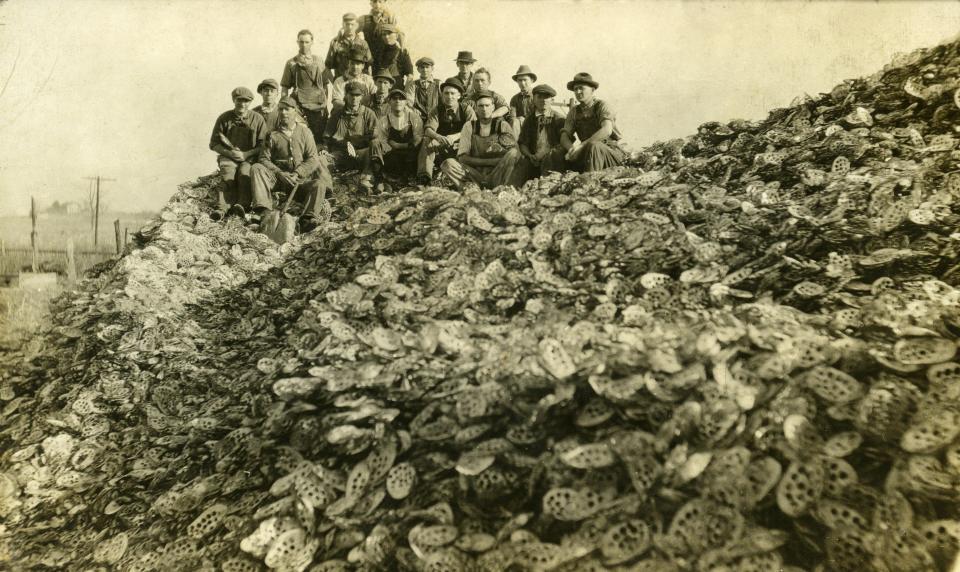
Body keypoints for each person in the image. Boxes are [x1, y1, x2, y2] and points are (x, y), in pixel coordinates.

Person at [251, 97, 332, 232]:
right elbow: (264, 159)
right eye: (281, 109)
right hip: (278, 181)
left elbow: (313, 158)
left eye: (287, 109)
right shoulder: (272, 135)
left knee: (319, 184)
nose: (283, 113)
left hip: (298, 182)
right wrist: (279, 173)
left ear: (295, 111)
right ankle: (263, 211)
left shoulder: (305, 132)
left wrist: (297, 173)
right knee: (256, 168)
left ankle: (307, 219)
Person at [440, 90, 521, 190]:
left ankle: (501, 187)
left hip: (498, 173)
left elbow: (515, 153)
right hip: (475, 174)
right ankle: (469, 188)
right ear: (476, 109)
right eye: (481, 106)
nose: (484, 109)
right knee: (447, 164)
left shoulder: (502, 126)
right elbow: (462, 158)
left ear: (493, 107)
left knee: (513, 153)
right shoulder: (469, 126)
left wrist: (498, 163)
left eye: (487, 105)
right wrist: (491, 162)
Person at [208, 87, 268, 221]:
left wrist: (246, 155)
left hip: (249, 158)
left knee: (244, 174)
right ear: (233, 100)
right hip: (228, 157)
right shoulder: (224, 118)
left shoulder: (257, 119)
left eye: (246, 101)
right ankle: (221, 208)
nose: (242, 104)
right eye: (239, 100)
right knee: (228, 176)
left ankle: (242, 205)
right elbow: (213, 144)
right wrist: (229, 153)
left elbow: (263, 145)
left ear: (250, 102)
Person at [561, 72, 626, 172]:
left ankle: (590, 185)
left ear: (592, 90)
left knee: (594, 146)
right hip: (588, 153)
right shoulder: (574, 111)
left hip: (609, 152)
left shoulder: (602, 105)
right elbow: (564, 135)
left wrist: (582, 146)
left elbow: (607, 130)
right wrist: (571, 150)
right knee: (557, 153)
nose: (578, 92)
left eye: (581, 88)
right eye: (575, 89)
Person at [416, 77, 476, 185]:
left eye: (453, 93)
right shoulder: (437, 110)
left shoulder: (466, 109)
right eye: (446, 93)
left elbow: (473, 128)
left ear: (459, 95)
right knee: (427, 140)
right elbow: (428, 129)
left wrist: (456, 136)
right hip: (443, 144)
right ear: (442, 95)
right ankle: (424, 177)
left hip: (462, 145)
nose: (449, 97)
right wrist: (438, 137)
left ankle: (468, 176)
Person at [324, 81, 379, 191]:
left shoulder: (368, 113)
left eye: (357, 95)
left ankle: (366, 177)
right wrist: (325, 149)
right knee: (322, 159)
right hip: (341, 153)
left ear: (362, 97)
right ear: (346, 96)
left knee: (372, 149)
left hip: (361, 153)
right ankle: (327, 182)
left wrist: (358, 142)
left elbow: (374, 136)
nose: (354, 98)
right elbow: (327, 136)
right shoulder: (337, 115)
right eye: (351, 95)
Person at [370, 89, 423, 191]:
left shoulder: (414, 117)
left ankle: (414, 178)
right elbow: (383, 141)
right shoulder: (384, 120)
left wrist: (399, 145)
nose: (397, 101)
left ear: (406, 102)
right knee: (374, 142)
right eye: (394, 98)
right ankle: (379, 179)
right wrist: (392, 147)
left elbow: (418, 138)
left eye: (401, 98)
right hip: (393, 155)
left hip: (410, 154)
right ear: (389, 102)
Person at [281, 29, 327, 144]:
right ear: (297, 42)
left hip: (317, 104)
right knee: (299, 133)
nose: (304, 45)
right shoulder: (291, 63)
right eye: (301, 42)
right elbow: (285, 87)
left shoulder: (319, 61)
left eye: (307, 42)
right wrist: (284, 104)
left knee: (319, 136)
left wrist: (324, 101)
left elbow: (325, 84)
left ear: (312, 42)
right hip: (299, 105)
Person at [517, 84, 567, 183]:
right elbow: (523, 143)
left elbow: (564, 144)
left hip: (553, 161)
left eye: (547, 97)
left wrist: (546, 153)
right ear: (534, 100)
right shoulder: (529, 120)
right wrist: (530, 155)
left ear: (552, 100)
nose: (543, 100)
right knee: (521, 165)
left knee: (552, 158)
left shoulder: (559, 119)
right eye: (539, 97)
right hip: (534, 160)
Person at [325, 13, 372, 80]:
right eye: (347, 24)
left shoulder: (363, 43)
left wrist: (369, 81)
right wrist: (334, 82)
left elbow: (368, 65)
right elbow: (328, 66)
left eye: (352, 24)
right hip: (342, 82)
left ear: (356, 26)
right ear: (343, 25)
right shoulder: (335, 42)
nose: (350, 27)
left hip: (358, 84)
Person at [331, 46, 376, 110]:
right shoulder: (340, 81)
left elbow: (375, 95)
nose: (355, 67)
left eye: (358, 64)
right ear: (348, 64)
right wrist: (353, 108)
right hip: (345, 113)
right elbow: (336, 102)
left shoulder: (368, 79)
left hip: (364, 114)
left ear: (363, 66)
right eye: (352, 63)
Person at [359, 0, 402, 65]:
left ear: (384, 3)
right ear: (370, 3)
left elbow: (400, 34)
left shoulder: (390, 17)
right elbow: (352, 29)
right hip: (370, 57)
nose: (377, 5)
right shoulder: (364, 19)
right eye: (374, 1)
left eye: (380, 1)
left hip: (386, 57)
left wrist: (401, 50)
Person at [373, 23, 413, 90]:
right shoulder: (379, 52)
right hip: (380, 90)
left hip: (396, 91)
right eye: (384, 34)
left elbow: (410, 75)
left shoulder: (402, 52)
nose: (386, 37)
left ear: (396, 36)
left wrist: (406, 90)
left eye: (389, 34)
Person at [405, 57, 440, 121]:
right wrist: (413, 109)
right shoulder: (413, 85)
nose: (425, 70)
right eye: (422, 67)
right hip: (418, 118)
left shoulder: (438, 84)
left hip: (436, 118)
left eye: (427, 67)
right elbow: (408, 102)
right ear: (418, 69)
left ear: (432, 68)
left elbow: (443, 101)